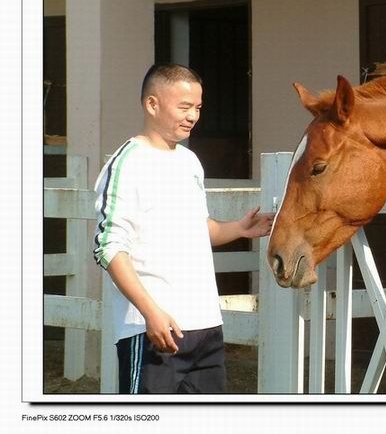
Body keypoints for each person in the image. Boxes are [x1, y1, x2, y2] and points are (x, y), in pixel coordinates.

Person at [92, 63, 273, 394]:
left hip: (206, 329)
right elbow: (109, 247)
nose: (193, 116)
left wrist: (239, 228)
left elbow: (198, 229)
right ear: (152, 104)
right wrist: (152, 313)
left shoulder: (190, 162)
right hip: (152, 330)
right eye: (185, 107)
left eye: (199, 108)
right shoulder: (127, 163)